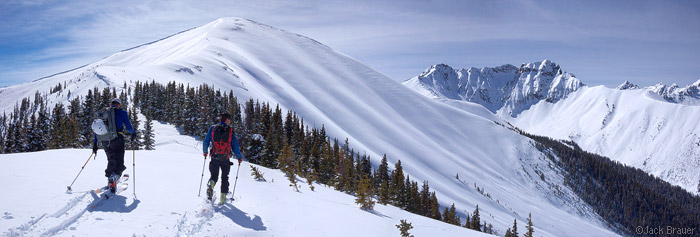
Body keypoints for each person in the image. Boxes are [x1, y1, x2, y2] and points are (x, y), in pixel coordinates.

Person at [92, 98, 134, 193]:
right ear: (119, 105)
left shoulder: (104, 115)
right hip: (117, 139)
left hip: (104, 141)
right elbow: (128, 126)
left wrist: (95, 144)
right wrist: (133, 133)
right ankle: (114, 177)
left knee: (110, 159)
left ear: (111, 105)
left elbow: (98, 131)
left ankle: (110, 179)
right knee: (119, 160)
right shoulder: (122, 112)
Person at [203, 112, 244, 203]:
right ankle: (223, 197)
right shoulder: (230, 131)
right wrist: (239, 157)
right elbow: (235, 146)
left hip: (214, 157)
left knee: (214, 176)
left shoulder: (213, 128)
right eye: (229, 120)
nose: (230, 122)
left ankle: (211, 185)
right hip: (225, 158)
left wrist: (205, 152)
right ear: (227, 119)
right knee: (225, 177)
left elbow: (206, 141)